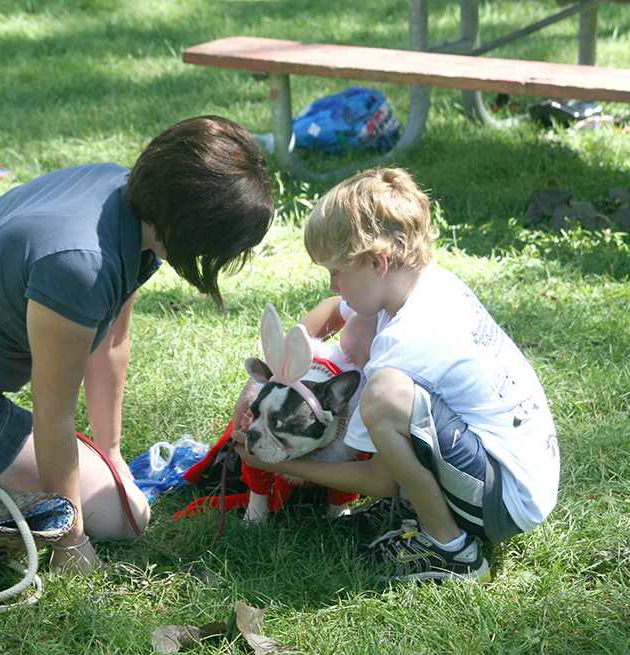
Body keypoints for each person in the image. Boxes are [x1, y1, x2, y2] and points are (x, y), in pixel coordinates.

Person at [0, 115, 274, 575]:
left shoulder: (120, 189)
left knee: (118, 493)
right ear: (190, 225)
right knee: (125, 518)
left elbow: (112, 342)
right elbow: (54, 415)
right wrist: (69, 539)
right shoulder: (81, 265)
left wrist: (114, 453)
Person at [232, 167, 559, 583]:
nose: (333, 285)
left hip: (505, 500)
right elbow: (331, 312)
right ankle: (421, 515)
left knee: (383, 396)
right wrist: (277, 375)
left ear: (377, 262)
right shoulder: (427, 285)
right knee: (371, 354)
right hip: (518, 475)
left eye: (336, 272)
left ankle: (451, 550)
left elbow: (380, 480)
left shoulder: (408, 341)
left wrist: (278, 461)